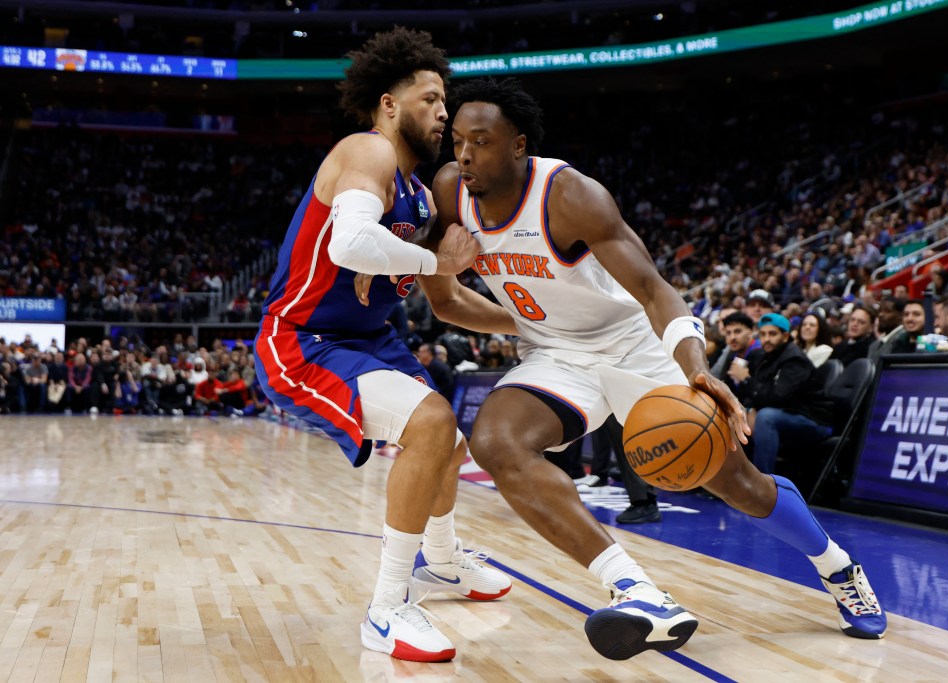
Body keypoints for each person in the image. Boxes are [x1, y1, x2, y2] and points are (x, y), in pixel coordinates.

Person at [430, 78, 886, 660]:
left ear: (518, 145)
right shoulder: (450, 191)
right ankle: (638, 591)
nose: (465, 154)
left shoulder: (569, 195)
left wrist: (696, 367)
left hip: (634, 343)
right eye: (458, 142)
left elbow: (652, 288)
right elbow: (445, 303)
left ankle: (837, 566)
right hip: (556, 355)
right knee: (496, 443)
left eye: (481, 141)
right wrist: (502, 307)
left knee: (736, 485)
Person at [253, 28, 512, 663]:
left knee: (447, 440)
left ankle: (445, 561)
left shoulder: (421, 196)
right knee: (432, 421)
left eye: (445, 101)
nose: (444, 112)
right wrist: (432, 255)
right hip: (303, 339)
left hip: (369, 338)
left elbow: (446, 300)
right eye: (430, 98)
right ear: (390, 105)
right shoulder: (365, 151)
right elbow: (348, 244)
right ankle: (388, 608)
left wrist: (524, 327)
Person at [730, 314, 834, 474]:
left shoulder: (795, 360)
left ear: (785, 336)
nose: (766, 339)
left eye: (772, 334)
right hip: (788, 413)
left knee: (766, 417)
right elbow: (753, 394)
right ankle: (732, 477)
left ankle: (762, 484)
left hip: (813, 419)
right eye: (763, 334)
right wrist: (749, 409)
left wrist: (746, 379)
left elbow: (777, 397)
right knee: (736, 412)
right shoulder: (764, 356)